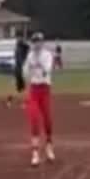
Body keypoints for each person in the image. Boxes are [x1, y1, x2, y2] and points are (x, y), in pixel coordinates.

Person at [22, 31, 57, 167]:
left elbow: (46, 70)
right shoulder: (30, 55)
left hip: (45, 89)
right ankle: (35, 152)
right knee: (34, 118)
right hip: (34, 90)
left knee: (47, 119)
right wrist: (25, 68)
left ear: (42, 42)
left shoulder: (47, 55)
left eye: (39, 41)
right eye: (34, 41)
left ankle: (49, 146)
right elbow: (25, 72)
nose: (37, 44)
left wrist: (35, 63)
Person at [6, 33, 31, 107]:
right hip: (20, 70)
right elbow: (20, 60)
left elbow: (27, 47)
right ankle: (22, 103)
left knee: (19, 88)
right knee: (22, 88)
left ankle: (9, 101)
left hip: (18, 70)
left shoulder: (20, 48)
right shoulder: (19, 50)